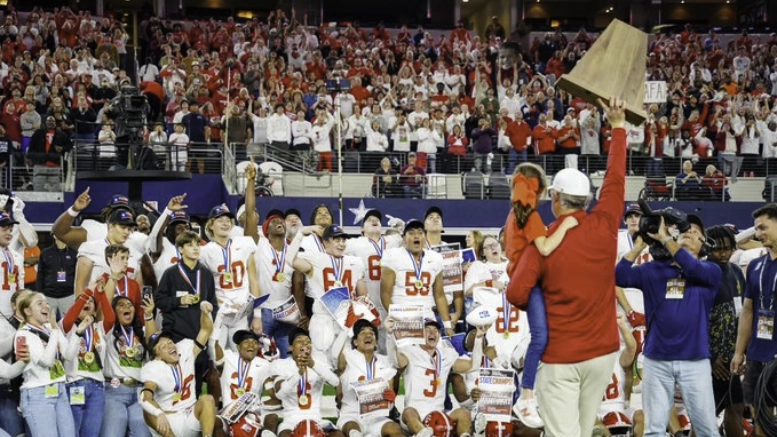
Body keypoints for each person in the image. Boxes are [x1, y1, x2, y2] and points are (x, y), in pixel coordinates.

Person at [506, 97, 627, 437]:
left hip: (561, 358)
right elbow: (616, 179)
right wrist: (617, 128)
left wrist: (539, 291)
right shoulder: (604, 224)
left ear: (555, 198)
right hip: (603, 353)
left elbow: (516, 292)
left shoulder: (541, 242)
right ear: (588, 199)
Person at [616, 214, 722, 436]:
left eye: (695, 233)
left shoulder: (711, 271)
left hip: (695, 360)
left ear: (705, 245)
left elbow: (692, 268)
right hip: (657, 360)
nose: (689, 233)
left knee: (706, 429)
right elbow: (619, 276)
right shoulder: (654, 269)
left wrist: (666, 239)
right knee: (654, 429)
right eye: (685, 231)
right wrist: (639, 245)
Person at [287, 224, 368, 365]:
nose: (341, 243)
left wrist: (362, 306)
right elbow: (290, 260)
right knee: (320, 360)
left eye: (343, 240)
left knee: (345, 362)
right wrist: (300, 234)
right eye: (336, 240)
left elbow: (362, 293)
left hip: (345, 319)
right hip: (323, 318)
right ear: (325, 242)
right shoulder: (317, 258)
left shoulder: (355, 262)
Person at [387, 318, 483, 437]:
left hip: (438, 415)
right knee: (408, 412)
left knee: (464, 413)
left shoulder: (447, 354)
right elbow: (395, 361)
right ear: (419, 334)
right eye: (427, 330)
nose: (432, 333)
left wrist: (479, 338)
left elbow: (473, 365)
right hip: (414, 417)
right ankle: (424, 434)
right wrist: (390, 334)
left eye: (435, 330)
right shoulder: (410, 351)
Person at [140, 302, 218, 437]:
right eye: (163, 347)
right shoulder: (154, 367)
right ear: (157, 356)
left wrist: (205, 312)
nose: (170, 347)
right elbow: (145, 397)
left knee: (207, 399)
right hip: (168, 422)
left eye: (170, 343)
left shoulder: (185, 349)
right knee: (147, 412)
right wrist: (159, 413)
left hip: (189, 417)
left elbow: (205, 330)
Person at [732, 203, 777, 436]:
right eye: (756, 229)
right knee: (761, 422)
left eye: (763, 227)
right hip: (758, 355)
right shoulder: (756, 265)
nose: (758, 234)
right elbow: (748, 311)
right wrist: (740, 352)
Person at [199, 204, 261, 348]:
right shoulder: (205, 252)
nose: (225, 223)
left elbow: (254, 280)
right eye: (220, 220)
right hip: (219, 312)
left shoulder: (244, 243)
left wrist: (257, 314)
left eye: (228, 220)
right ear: (210, 226)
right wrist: (224, 303)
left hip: (241, 313)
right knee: (216, 358)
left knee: (239, 356)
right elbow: (206, 287)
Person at [14, 292, 75, 437]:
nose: (46, 306)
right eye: (39, 303)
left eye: (47, 302)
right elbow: (46, 361)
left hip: (60, 390)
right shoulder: (23, 334)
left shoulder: (50, 328)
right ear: (28, 311)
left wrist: (77, 334)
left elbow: (69, 355)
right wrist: (55, 331)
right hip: (37, 393)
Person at [704, 225, 745, 437]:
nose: (724, 253)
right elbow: (696, 320)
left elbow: (744, 314)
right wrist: (711, 358)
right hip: (712, 360)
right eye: (719, 249)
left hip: (732, 358)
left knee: (736, 407)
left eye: (728, 248)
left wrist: (742, 351)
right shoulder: (702, 273)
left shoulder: (736, 271)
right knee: (706, 417)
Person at [380, 219, 453, 336]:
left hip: (427, 314)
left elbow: (439, 295)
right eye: (411, 233)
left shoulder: (435, 258)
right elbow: (385, 294)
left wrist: (447, 325)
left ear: (425, 237)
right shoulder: (393, 256)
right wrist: (397, 317)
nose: (416, 236)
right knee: (404, 353)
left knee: (431, 351)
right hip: (402, 313)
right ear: (404, 238)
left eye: (420, 232)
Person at [269, 327, 342, 437]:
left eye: (308, 341)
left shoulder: (319, 363)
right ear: (291, 347)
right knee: (285, 435)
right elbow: (280, 394)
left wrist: (312, 365)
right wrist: (299, 373)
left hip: (317, 419)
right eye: (299, 341)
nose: (304, 343)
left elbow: (335, 382)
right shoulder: (280, 364)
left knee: (338, 435)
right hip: (291, 420)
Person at [101, 293, 157, 437]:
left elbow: (154, 344)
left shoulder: (141, 332)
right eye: (121, 305)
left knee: (143, 434)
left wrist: (149, 314)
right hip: (115, 391)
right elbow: (104, 306)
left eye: (130, 305)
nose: (127, 307)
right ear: (113, 312)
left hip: (139, 392)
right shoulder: (108, 330)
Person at [61, 282, 113, 437]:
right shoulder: (68, 326)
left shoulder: (100, 327)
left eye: (91, 301)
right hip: (74, 383)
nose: (87, 302)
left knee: (92, 433)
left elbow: (110, 317)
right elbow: (72, 314)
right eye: (83, 301)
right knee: (72, 431)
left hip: (97, 386)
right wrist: (88, 291)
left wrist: (101, 293)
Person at [336, 319, 403, 437]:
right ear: (355, 341)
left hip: (376, 417)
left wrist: (391, 400)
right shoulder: (347, 356)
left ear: (376, 342)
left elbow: (390, 396)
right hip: (351, 415)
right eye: (363, 333)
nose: (368, 335)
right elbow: (334, 355)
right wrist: (347, 325)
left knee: (395, 429)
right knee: (353, 431)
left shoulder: (385, 361)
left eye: (372, 333)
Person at [594, 312, 644, 437]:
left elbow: (632, 347)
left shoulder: (616, 356)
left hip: (620, 408)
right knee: (593, 424)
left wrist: (621, 324)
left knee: (641, 416)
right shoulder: (583, 361)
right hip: (596, 411)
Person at [255, 211, 296, 358]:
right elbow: (249, 220)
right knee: (264, 356)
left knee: (286, 356)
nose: (279, 221)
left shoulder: (293, 250)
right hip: (264, 309)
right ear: (266, 230)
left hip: (286, 310)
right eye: (273, 221)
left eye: (281, 220)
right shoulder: (261, 246)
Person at [26, 116, 71, 192]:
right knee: (38, 186)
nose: (50, 123)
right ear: (45, 122)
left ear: (55, 123)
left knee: (54, 188)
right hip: (40, 163)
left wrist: (62, 148)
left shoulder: (61, 134)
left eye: (52, 121)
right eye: (49, 121)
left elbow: (69, 145)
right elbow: (31, 146)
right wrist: (30, 157)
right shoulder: (38, 133)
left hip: (55, 164)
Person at [36, 235, 77, 315]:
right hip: (48, 296)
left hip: (68, 296)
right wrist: (39, 294)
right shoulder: (45, 253)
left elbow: (77, 275)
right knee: (46, 323)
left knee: (68, 324)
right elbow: (40, 274)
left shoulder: (74, 253)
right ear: (54, 235)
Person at [0, 212, 23, 319]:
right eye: (4, 230)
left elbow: (20, 284)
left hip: (13, 313)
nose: (9, 233)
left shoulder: (17, 256)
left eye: (10, 230)